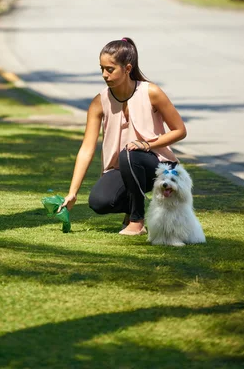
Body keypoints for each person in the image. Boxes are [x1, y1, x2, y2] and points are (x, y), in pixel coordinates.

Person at [59, 37, 187, 235]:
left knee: (129, 153)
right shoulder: (98, 102)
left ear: (127, 69)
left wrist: (146, 144)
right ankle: (132, 203)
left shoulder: (151, 92)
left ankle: (137, 221)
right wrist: (72, 193)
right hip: (122, 167)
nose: (104, 74)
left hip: (160, 165)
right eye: (101, 68)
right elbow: (86, 148)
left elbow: (180, 130)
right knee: (99, 202)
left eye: (110, 69)